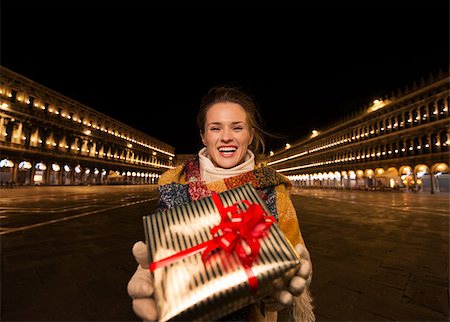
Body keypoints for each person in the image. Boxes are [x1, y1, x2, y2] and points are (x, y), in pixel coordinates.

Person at [127, 85, 315, 322]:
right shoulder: (175, 183)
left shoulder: (272, 188)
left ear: (250, 134)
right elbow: (165, 249)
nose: (226, 136)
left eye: (237, 127)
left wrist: (281, 284)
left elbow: (293, 255)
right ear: (204, 136)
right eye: (215, 128)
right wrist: (152, 274)